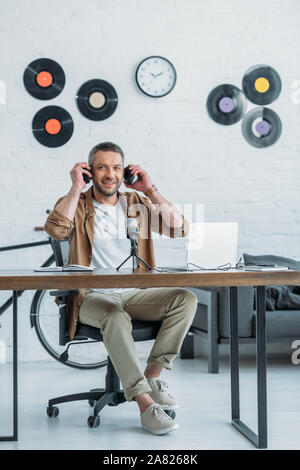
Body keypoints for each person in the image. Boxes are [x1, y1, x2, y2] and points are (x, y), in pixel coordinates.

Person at [44, 141, 198, 435]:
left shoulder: (135, 204)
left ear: (124, 172)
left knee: (185, 298)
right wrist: (76, 187)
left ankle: (152, 376)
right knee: (114, 314)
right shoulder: (79, 205)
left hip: (135, 292)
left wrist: (149, 189)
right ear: (90, 171)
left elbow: (180, 228)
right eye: (101, 167)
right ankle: (145, 405)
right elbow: (55, 229)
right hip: (91, 297)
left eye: (116, 167)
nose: (110, 174)